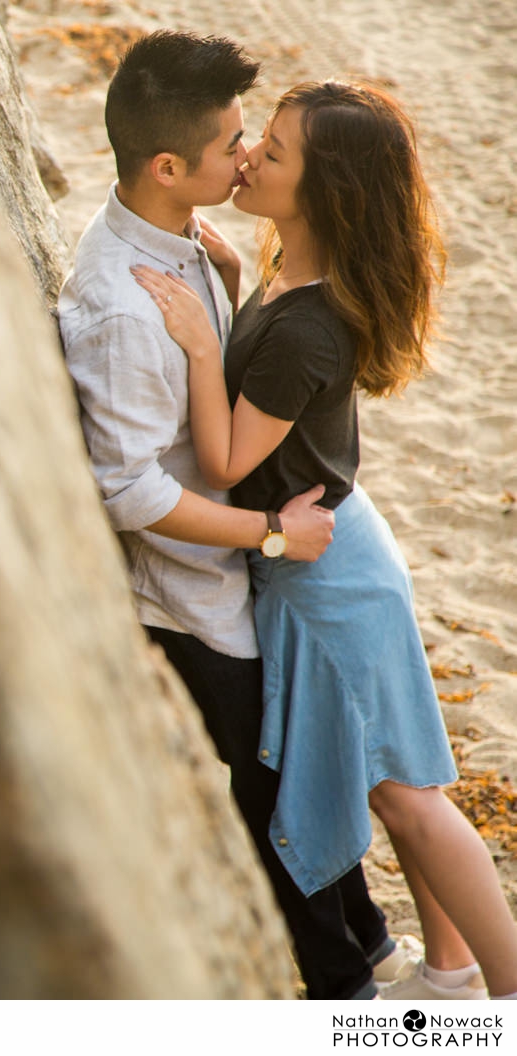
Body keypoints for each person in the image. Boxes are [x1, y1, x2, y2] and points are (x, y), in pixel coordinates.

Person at [135, 79, 517, 1001]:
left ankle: (505, 998)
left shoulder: (308, 324)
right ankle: (453, 974)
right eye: (257, 139)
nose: (250, 157)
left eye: (274, 150)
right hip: (338, 544)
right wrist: (224, 292)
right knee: (404, 777)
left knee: (407, 797)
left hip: (326, 574)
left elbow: (225, 460)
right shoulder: (286, 272)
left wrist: (196, 345)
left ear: (325, 191)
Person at [59, 31, 411, 1001]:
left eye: (257, 141)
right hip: (196, 605)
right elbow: (131, 492)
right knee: (275, 808)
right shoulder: (126, 311)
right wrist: (269, 536)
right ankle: (351, 994)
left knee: (294, 779)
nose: (245, 155)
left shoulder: (186, 245)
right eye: (233, 145)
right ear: (171, 167)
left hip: (240, 578)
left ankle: (369, 943)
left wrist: (219, 273)